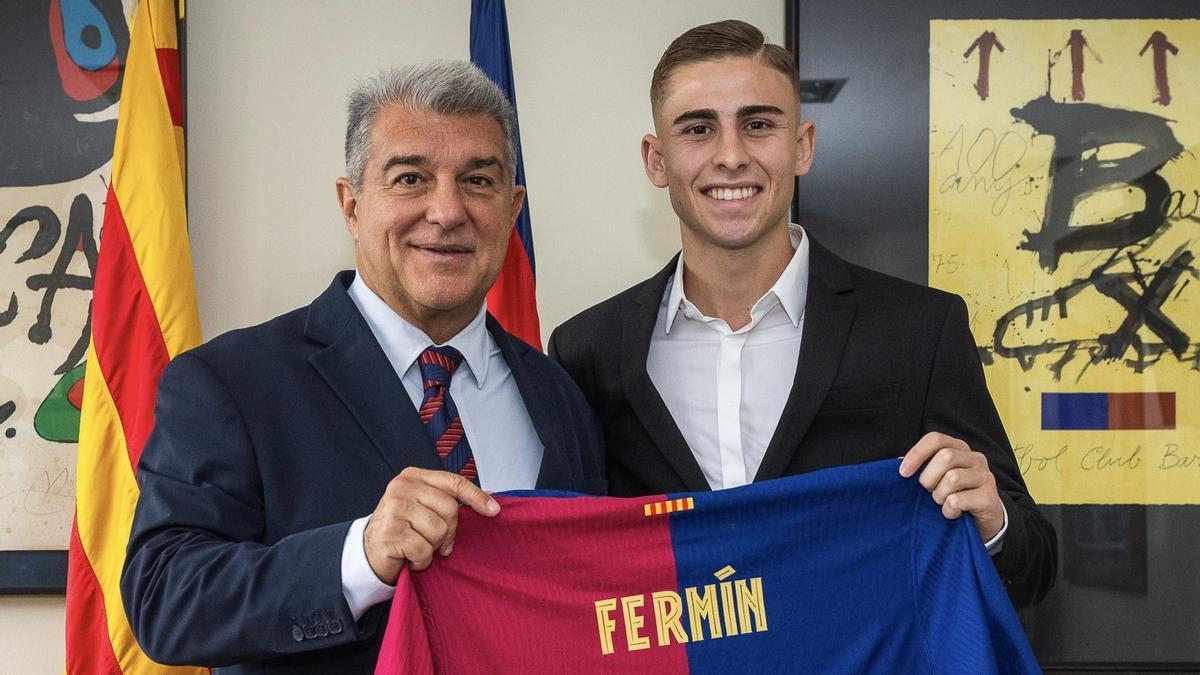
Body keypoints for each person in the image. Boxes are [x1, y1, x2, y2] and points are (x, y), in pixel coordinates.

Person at [548, 19, 1056, 609]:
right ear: (656, 160)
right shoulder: (587, 352)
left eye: (758, 124)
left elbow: (1034, 566)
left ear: (802, 146)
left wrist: (992, 523)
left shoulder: (919, 330)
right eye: (699, 129)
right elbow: (566, 570)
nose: (731, 156)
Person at [121, 60, 606, 673]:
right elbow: (165, 598)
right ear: (351, 206)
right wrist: (360, 556)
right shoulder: (231, 382)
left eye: (478, 181)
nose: (447, 211)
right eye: (410, 178)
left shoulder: (561, 395)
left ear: (512, 211)